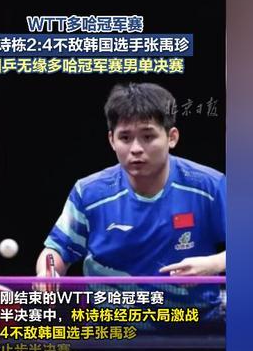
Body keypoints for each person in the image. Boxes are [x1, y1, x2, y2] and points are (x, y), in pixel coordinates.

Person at [34, 82, 225, 324]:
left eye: (148, 136)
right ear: (112, 140)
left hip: (194, 327)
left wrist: (213, 264)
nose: (136, 149)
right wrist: (47, 274)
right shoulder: (89, 192)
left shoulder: (209, 186)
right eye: (125, 137)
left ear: (171, 137)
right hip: (111, 329)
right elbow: (57, 251)